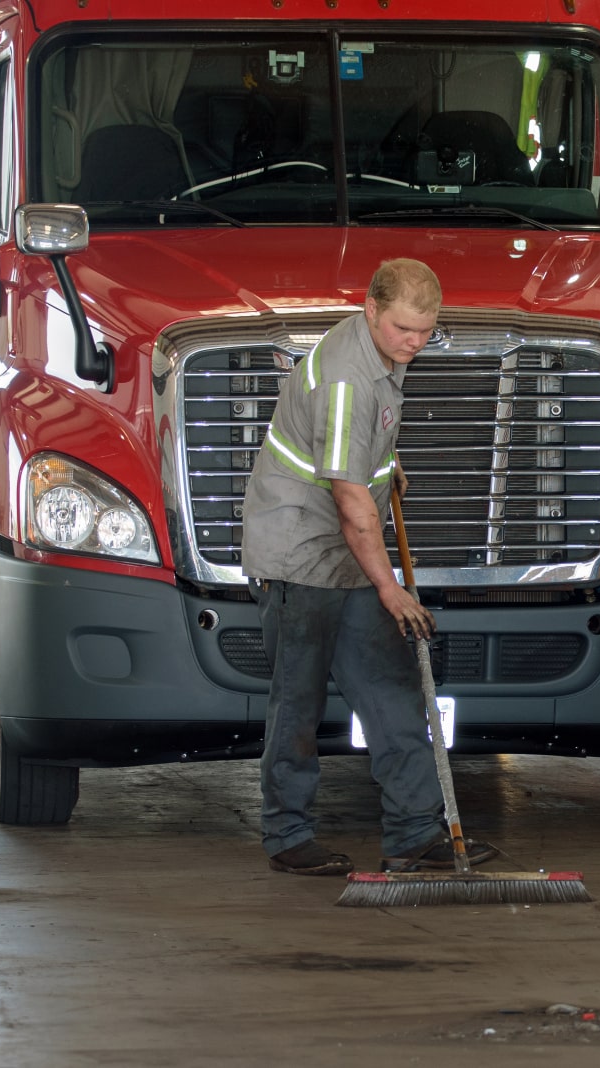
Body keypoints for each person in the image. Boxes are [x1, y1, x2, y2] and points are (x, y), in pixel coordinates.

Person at [241, 258, 497, 875]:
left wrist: (387, 459)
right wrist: (393, 590)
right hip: (300, 553)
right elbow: (353, 504)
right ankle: (288, 838)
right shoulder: (346, 378)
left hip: (348, 550)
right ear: (370, 308)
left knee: (390, 689)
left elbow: (360, 444)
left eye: (426, 332)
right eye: (404, 329)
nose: (415, 343)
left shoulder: (382, 356)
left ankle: (414, 832)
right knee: (297, 704)